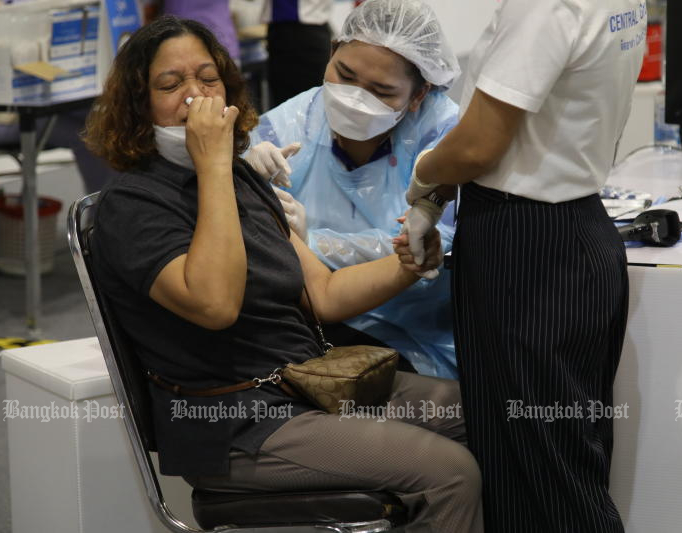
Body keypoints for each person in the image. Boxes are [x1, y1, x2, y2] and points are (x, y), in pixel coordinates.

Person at [82, 16, 482, 533]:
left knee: (490, 414)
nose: (194, 96)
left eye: (207, 78)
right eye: (170, 84)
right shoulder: (134, 204)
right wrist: (213, 170)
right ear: (138, 103)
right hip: (236, 420)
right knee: (450, 473)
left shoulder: (241, 177)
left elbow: (325, 294)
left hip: (305, 384)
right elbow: (216, 303)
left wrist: (411, 261)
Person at [403, 1, 647, 531]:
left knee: (546, 480)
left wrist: (423, 176)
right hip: (576, 230)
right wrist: (440, 197)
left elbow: (479, 145)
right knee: (545, 467)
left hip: (528, 246)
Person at [246, 0, 461, 378]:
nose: (355, 98)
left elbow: (439, 239)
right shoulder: (291, 124)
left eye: (382, 91)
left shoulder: (441, 134)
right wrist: (241, 170)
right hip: (319, 332)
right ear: (331, 52)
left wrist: (313, 242)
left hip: (425, 332)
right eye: (344, 75)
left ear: (419, 95)